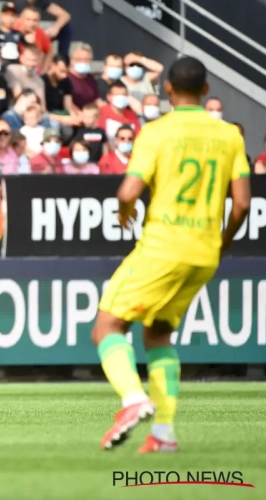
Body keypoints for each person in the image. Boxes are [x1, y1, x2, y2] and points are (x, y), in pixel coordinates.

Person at [92, 56, 251, 453]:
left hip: (163, 246)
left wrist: (125, 212)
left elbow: (127, 192)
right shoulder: (230, 135)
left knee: (107, 327)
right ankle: (163, 434)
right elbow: (243, 204)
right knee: (158, 331)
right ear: (207, 89)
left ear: (166, 90)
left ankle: (133, 399)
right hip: (204, 253)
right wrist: (222, 241)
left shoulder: (157, 132)